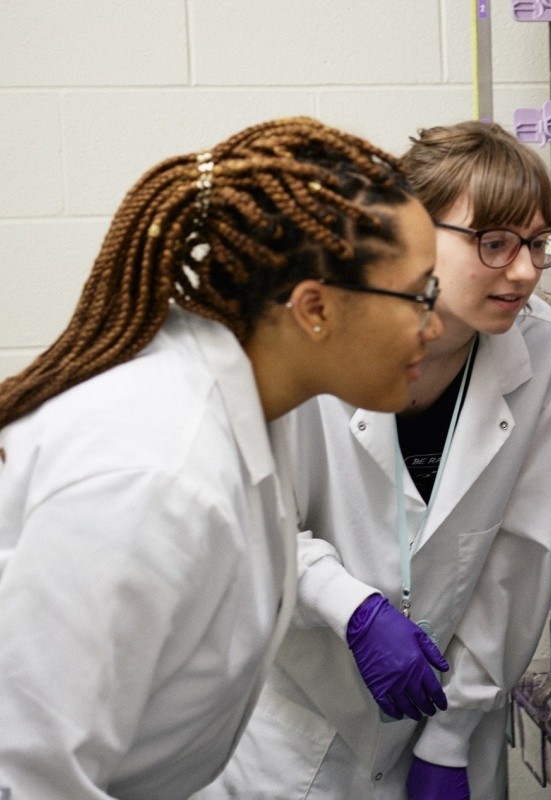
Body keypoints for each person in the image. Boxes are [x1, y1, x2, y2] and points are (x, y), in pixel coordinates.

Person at [0, 116, 443, 800]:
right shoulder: (156, 472)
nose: (433, 324)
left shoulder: (255, 401)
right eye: (419, 295)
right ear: (314, 308)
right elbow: (26, 775)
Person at [200, 120, 551, 800]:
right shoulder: (317, 334)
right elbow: (256, 522)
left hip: (449, 718)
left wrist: (450, 735)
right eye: (494, 243)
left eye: (536, 244)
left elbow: (519, 556)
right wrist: (352, 608)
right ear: (412, 231)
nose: (523, 270)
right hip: (301, 725)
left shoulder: (543, 349)